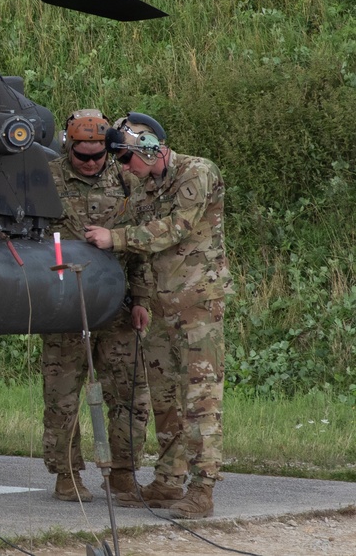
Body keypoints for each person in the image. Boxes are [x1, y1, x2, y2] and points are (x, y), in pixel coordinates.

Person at [85, 112, 233, 519]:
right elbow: (134, 234)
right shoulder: (147, 186)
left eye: (127, 159)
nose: (124, 169)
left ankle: (202, 489)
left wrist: (113, 238)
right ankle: (169, 481)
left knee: (201, 398)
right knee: (166, 397)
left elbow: (175, 229)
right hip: (162, 306)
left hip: (197, 304)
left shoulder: (196, 172)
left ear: (148, 148)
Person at [41, 109, 152, 502]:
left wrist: (141, 300)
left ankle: (123, 473)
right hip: (65, 306)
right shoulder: (47, 180)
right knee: (62, 395)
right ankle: (66, 475)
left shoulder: (127, 182)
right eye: (81, 155)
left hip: (116, 306)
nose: (89, 163)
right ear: (68, 148)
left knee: (130, 394)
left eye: (97, 155)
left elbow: (141, 246)